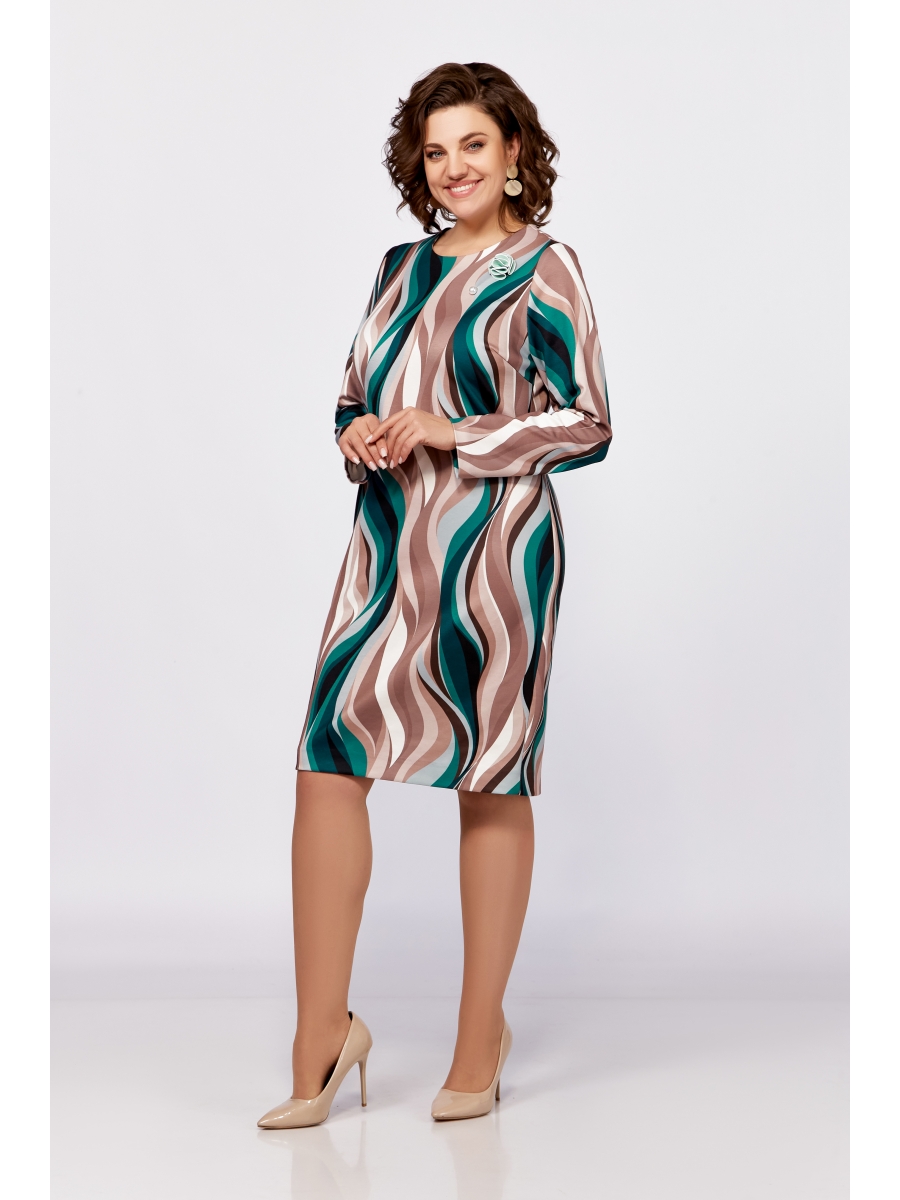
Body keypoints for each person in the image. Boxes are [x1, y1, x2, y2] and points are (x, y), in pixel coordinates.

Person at [258, 60, 612, 1129]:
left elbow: (587, 420)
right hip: (388, 543)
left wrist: (455, 431)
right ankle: (321, 1041)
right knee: (329, 764)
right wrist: (360, 431)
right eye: (435, 150)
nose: (453, 166)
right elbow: (352, 393)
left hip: (494, 557)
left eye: (473, 145)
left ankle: (476, 1040)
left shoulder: (545, 266)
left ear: (514, 156)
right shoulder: (397, 268)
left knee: (487, 777)